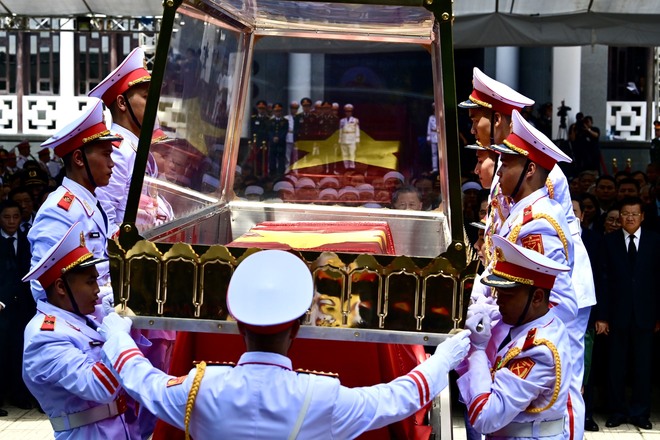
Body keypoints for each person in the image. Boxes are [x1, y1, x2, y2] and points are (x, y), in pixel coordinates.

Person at [98, 250, 471, 438]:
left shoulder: (200, 388)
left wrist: (116, 333)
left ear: (239, 328)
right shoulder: (321, 396)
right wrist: (445, 360)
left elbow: (139, 377)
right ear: (295, 331)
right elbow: (397, 397)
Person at [23, 222, 142, 439]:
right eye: (90, 281)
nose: (98, 289)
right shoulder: (44, 336)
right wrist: (119, 337)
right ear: (61, 287)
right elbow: (102, 387)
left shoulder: (82, 317)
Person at [456, 234, 572, 439]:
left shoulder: (539, 350)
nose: (499, 302)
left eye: (507, 296)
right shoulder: (522, 318)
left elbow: (485, 417)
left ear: (537, 297)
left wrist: (478, 350)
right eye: (498, 293)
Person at [28, 98, 119, 304]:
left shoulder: (94, 203)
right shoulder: (59, 210)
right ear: (79, 159)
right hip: (79, 324)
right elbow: (42, 287)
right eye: (106, 154)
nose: (112, 163)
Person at [595, 197, 659, 430]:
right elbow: (602, 280)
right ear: (618, 216)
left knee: (643, 366)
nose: (630, 217)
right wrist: (602, 315)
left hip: (646, 313)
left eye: (634, 213)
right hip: (616, 313)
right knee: (616, 366)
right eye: (625, 213)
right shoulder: (608, 242)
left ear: (642, 216)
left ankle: (641, 412)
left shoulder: (654, 241)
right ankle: (617, 411)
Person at [88, 47, 159, 236]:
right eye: (146, 97)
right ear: (121, 103)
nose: (154, 104)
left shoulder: (134, 146)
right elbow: (106, 220)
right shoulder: (117, 150)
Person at [0, 199, 35, 412]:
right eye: (6, 217)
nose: (11, 221)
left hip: (23, 305)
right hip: (1, 305)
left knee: (19, 350)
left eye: (15, 216)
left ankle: (19, 395)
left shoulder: (27, 240)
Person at [268, 103, 288, 177]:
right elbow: (269, 131)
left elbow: (284, 131)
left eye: (279, 111)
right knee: (272, 158)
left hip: (281, 143)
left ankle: (280, 173)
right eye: (276, 111)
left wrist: (279, 138)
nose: (277, 113)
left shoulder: (285, 121)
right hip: (273, 143)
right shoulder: (270, 121)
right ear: (273, 111)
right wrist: (273, 138)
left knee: (281, 158)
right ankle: (272, 173)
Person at [339, 103, 359, 170]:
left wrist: (357, 140)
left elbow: (357, 130)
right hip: (344, 138)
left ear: (351, 112)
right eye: (347, 111)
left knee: (351, 153)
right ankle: (346, 167)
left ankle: (352, 167)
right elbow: (340, 130)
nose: (348, 113)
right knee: (345, 154)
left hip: (352, 138)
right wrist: (339, 139)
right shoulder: (342, 120)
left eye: (349, 111)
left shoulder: (355, 120)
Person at [426, 103, 439, 172]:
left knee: (441, 154)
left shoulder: (440, 117)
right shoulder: (431, 118)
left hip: (440, 137)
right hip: (433, 137)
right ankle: (435, 168)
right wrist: (428, 138)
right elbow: (429, 128)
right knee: (434, 153)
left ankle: (442, 167)